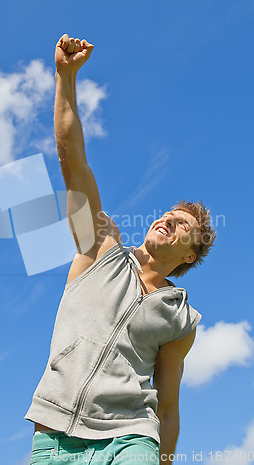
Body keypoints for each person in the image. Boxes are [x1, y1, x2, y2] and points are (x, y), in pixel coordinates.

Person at [25, 34, 216, 465]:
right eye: (166, 215)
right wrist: (65, 77)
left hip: (132, 439)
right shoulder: (100, 247)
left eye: (183, 225)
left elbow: (168, 408)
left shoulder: (181, 320)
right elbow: (73, 162)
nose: (167, 220)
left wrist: (164, 460)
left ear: (190, 254)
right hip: (55, 436)